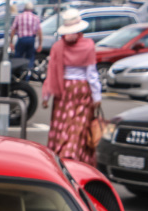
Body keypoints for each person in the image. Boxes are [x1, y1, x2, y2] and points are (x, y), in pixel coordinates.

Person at [41, 8, 101, 167]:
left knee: (62, 125)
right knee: (78, 126)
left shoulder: (58, 47)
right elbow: (92, 74)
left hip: (63, 89)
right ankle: (74, 157)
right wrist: (97, 97)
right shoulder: (88, 46)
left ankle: (61, 156)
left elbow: (51, 71)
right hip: (81, 89)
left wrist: (46, 96)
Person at [10, 1, 43, 70]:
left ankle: (18, 72)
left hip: (21, 39)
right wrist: (40, 44)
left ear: (24, 9)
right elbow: (39, 32)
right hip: (31, 39)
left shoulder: (19, 17)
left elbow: (13, 30)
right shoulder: (35, 18)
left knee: (18, 57)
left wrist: (11, 42)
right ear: (32, 9)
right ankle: (28, 73)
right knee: (30, 57)